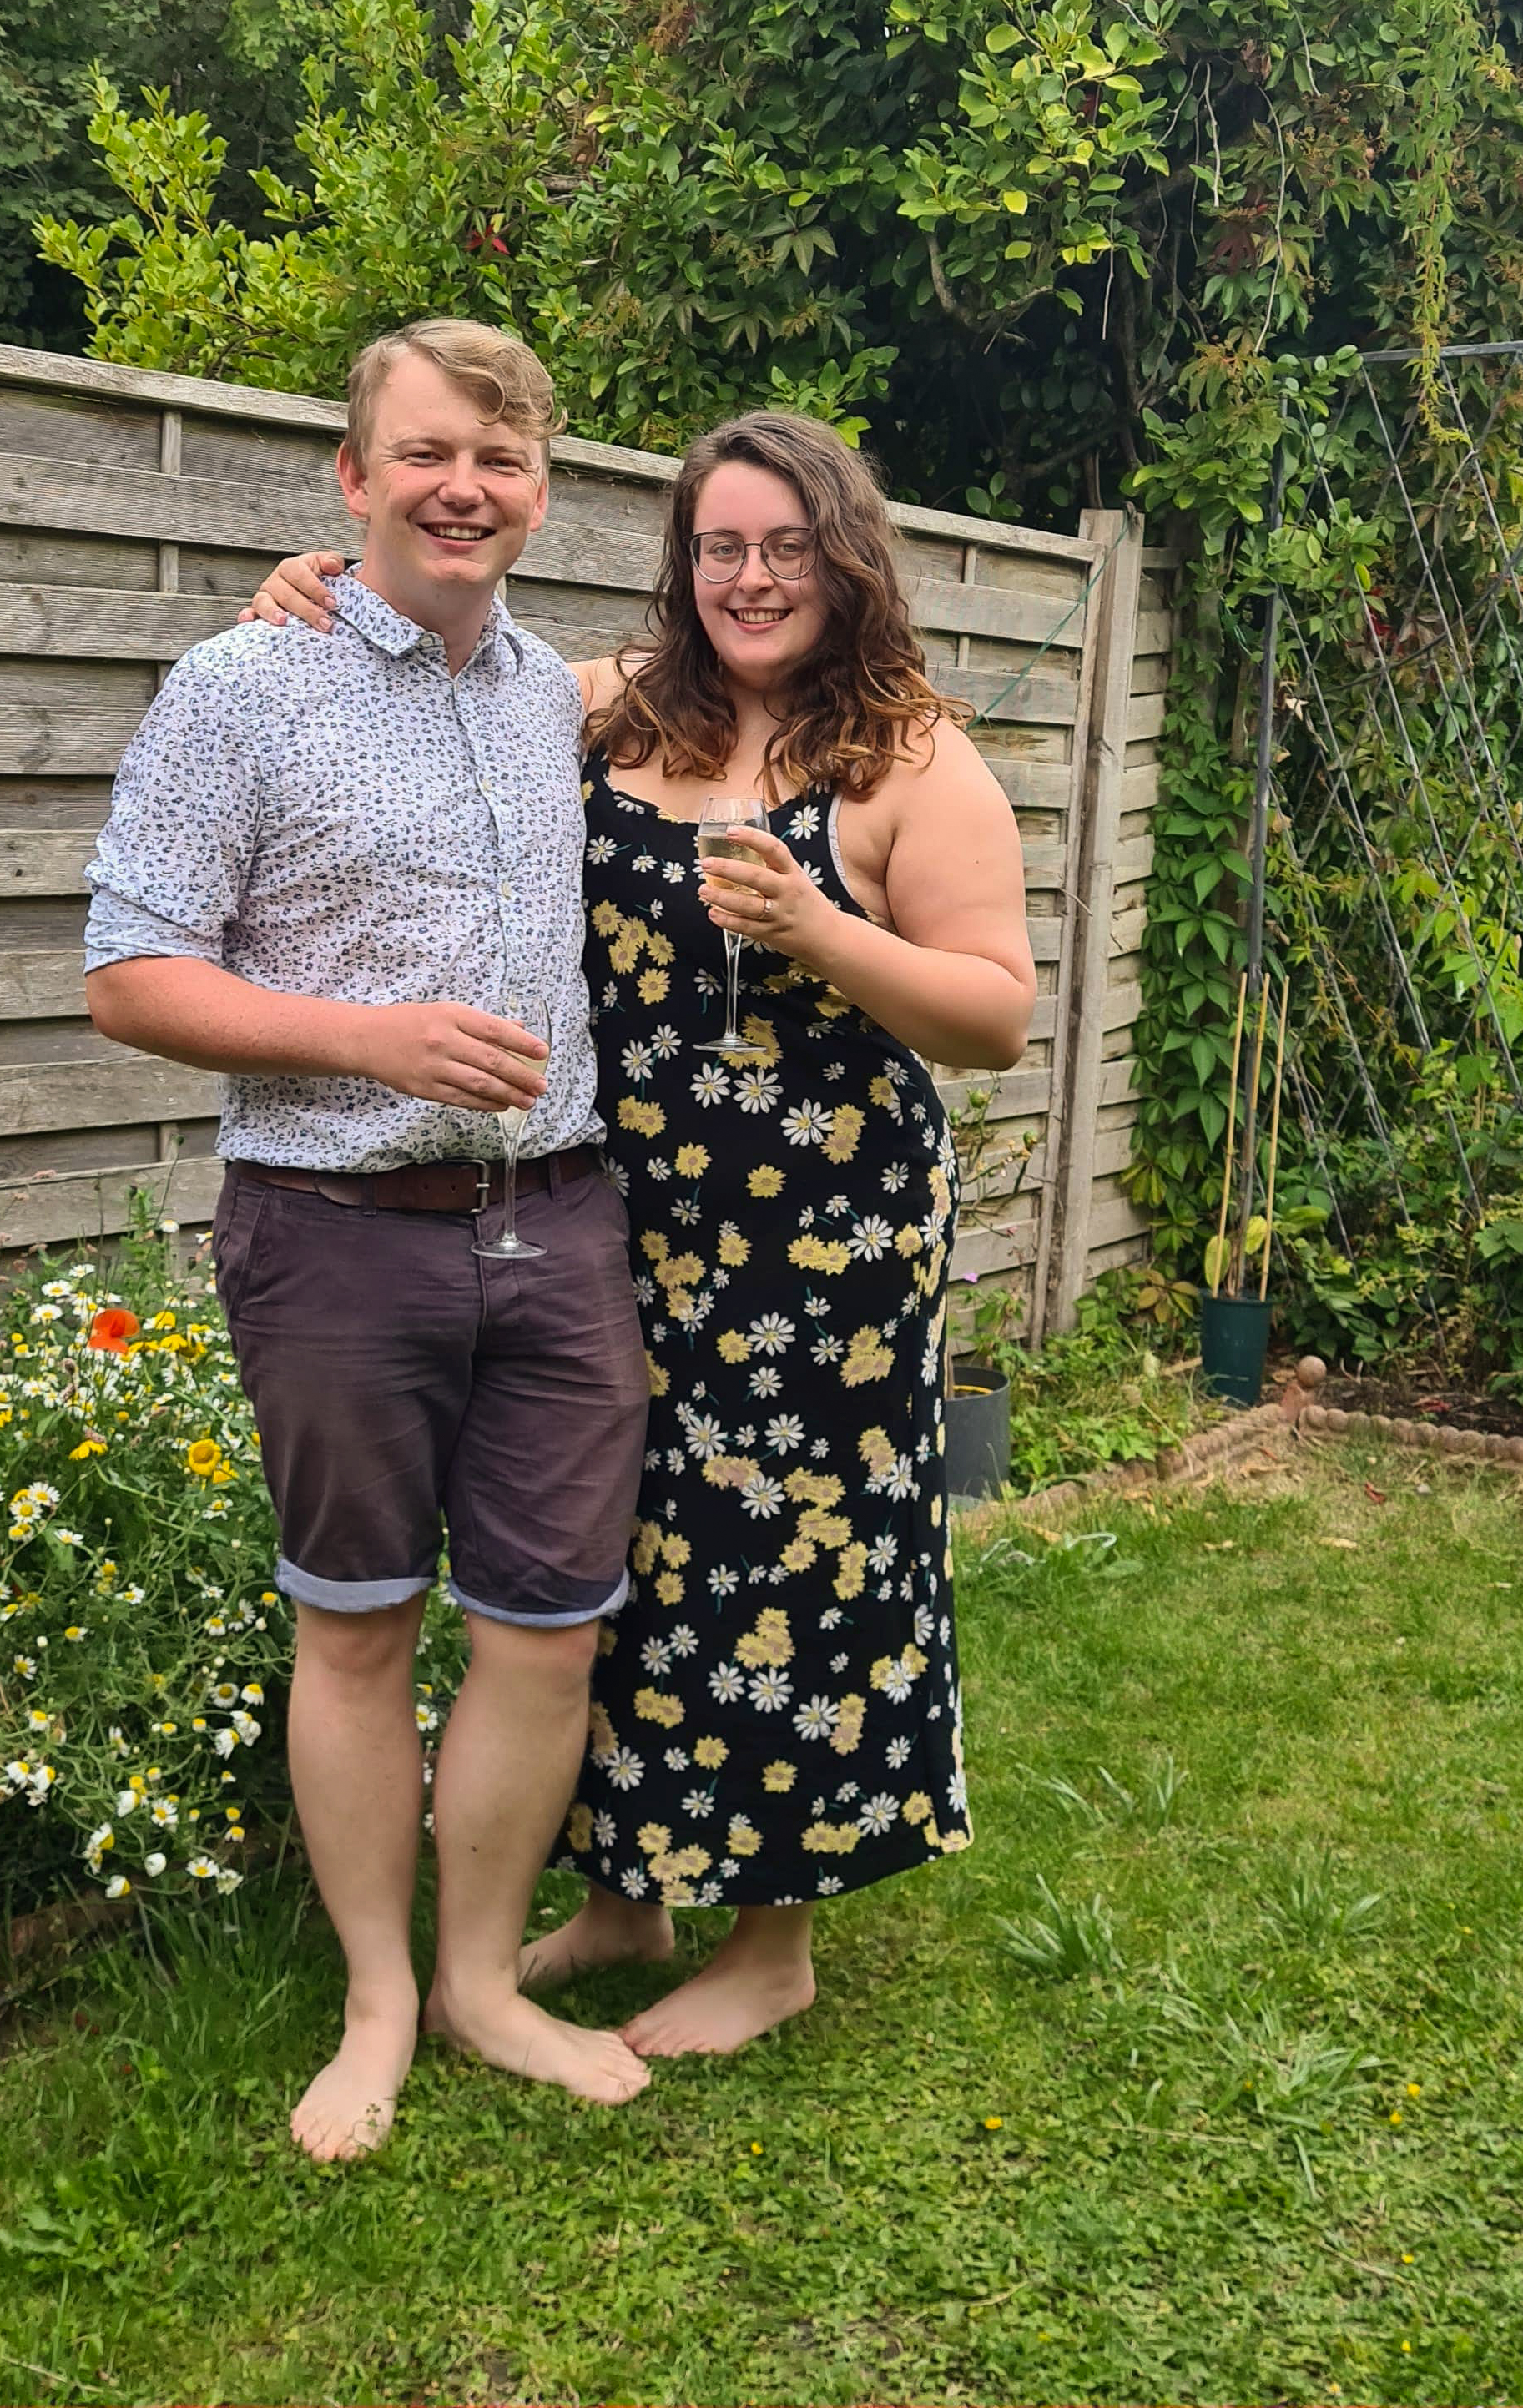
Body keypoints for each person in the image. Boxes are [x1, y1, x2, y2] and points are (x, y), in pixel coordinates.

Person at [245, 408, 1035, 2055]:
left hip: (826, 1251)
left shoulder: (907, 755)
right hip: (618, 1215)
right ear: (685, 562)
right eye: (721, 545)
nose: (752, 577)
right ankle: (625, 1893)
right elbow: (433, 665)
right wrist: (313, 594)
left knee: (792, 1559)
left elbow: (992, 1018)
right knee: (613, 1560)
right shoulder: (608, 706)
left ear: (847, 555)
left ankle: (773, 1941)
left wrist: (819, 928)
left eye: (787, 546)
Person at [84, 319, 654, 2161]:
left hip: (559, 1224)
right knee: (358, 1631)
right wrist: (368, 1038)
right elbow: (127, 974)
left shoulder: (550, 689)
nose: (461, 487)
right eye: (423, 454)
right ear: (353, 476)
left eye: (498, 460)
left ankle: (484, 1980)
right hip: (336, 1230)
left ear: (541, 492)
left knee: (547, 1632)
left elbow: (775, 671)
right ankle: (377, 1998)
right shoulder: (242, 687)